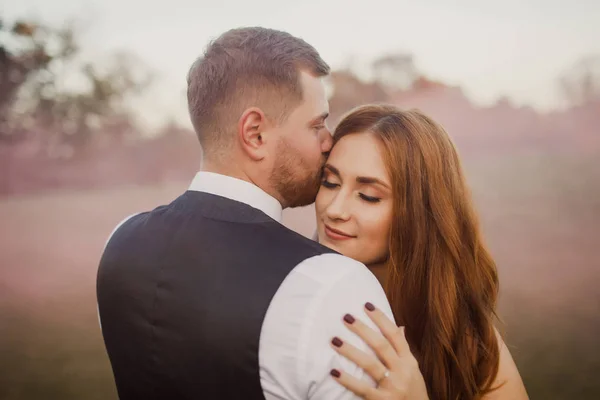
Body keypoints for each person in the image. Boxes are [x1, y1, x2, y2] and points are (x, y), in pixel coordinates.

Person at [96, 28, 427, 400]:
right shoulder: (331, 284)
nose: (328, 141)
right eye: (316, 124)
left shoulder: (119, 243)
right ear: (254, 134)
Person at [313, 104, 529, 399]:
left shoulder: (465, 340)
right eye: (330, 182)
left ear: (419, 213)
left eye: (368, 196)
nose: (334, 210)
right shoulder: (298, 295)